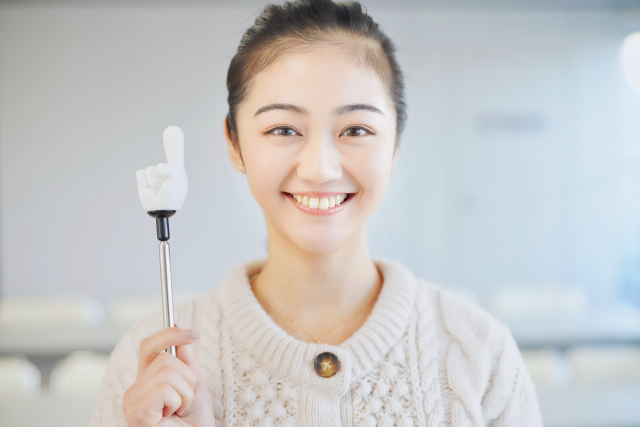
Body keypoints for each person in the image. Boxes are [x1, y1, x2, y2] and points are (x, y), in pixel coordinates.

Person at [90, 0, 543, 425]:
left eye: (356, 129)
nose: (321, 169)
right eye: (283, 128)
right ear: (234, 143)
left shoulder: (481, 354)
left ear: (395, 145)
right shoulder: (149, 360)